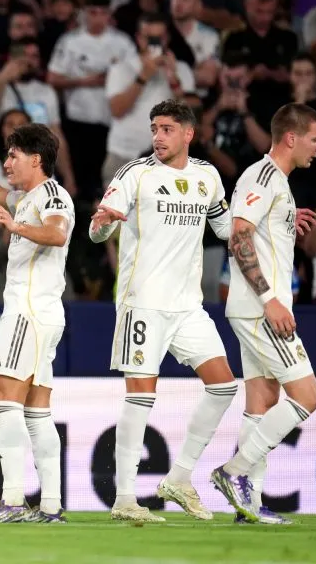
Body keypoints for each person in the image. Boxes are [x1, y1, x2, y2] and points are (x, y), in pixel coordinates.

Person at [89, 99, 236, 523]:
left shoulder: (207, 176)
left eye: (168, 129)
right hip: (143, 303)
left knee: (224, 386)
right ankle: (125, 498)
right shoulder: (136, 173)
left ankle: (180, 477)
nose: (158, 136)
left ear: (189, 134)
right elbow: (99, 232)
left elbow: (225, 228)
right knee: (140, 396)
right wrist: (102, 223)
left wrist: (270, 217)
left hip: (188, 306)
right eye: (154, 128)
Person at [0, 116, 74, 523]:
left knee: (5, 397)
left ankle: (13, 500)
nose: (7, 162)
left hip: (30, 311)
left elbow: (57, 234)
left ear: (36, 159)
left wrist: (15, 224)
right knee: (37, 411)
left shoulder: (53, 196)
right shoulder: (32, 196)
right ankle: (52, 506)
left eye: (13, 155)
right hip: (40, 312)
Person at [212, 103, 316, 524]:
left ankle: (249, 505)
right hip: (262, 309)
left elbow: (255, 228)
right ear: (291, 138)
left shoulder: (277, 184)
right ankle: (234, 472)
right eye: (315, 138)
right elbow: (238, 237)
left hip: (254, 309)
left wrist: (285, 221)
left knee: (262, 400)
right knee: (308, 396)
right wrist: (270, 299)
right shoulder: (261, 176)